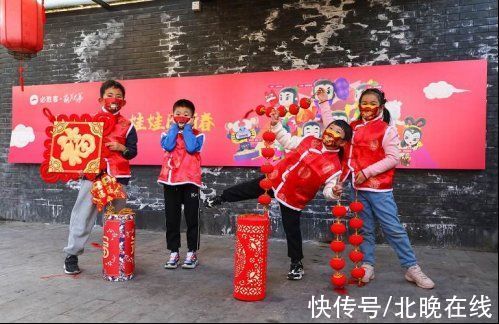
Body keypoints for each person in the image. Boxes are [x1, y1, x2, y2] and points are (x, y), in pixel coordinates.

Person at [206, 110, 352, 280]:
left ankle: (296, 264)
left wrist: (334, 192)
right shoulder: (309, 140)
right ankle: (221, 198)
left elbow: (329, 191)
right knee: (247, 188)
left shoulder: (334, 167)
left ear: (342, 142)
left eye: (337, 132)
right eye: (331, 128)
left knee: (292, 230)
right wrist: (276, 125)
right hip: (275, 179)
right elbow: (287, 140)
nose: (331, 132)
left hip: (293, 197)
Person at [330, 88, 435, 289]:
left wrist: (367, 172)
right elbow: (335, 135)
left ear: (380, 106)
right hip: (356, 189)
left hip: (380, 190)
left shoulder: (387, 130)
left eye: (372, 103)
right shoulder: (352, 127)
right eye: (364, 102)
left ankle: (412, 268)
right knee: (364, 230)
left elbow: (393, 158)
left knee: (394, 229)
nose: (367, 107)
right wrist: (325, 104)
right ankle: (367, 265)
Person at [64, 80, 138, 275]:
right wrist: (79, 167)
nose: (114, 99)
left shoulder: (128, 125)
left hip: (117, 176)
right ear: (101, 98)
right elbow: (79, 148)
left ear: (124, 101)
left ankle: (116, 259)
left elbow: (133, 152)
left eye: (119, 96)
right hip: (93, 176)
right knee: (82, 214)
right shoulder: (90, 122)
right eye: (110, 95)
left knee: (116, 218)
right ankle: (71, 255)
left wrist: (122, 148)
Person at [158, 99, 205, 270]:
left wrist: (187, 129)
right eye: (178, 114)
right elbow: (169, 146)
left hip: (190, 181)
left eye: (186, 115)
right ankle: (174, 252)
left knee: (192, 218)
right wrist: (173, 128)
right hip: (170, 181)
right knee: (172, 218)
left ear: (193, 117)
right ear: (172, 116)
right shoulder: (166, 134)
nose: (182, 117)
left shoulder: (198, 134)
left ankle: (192, 252)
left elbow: (192, 148)